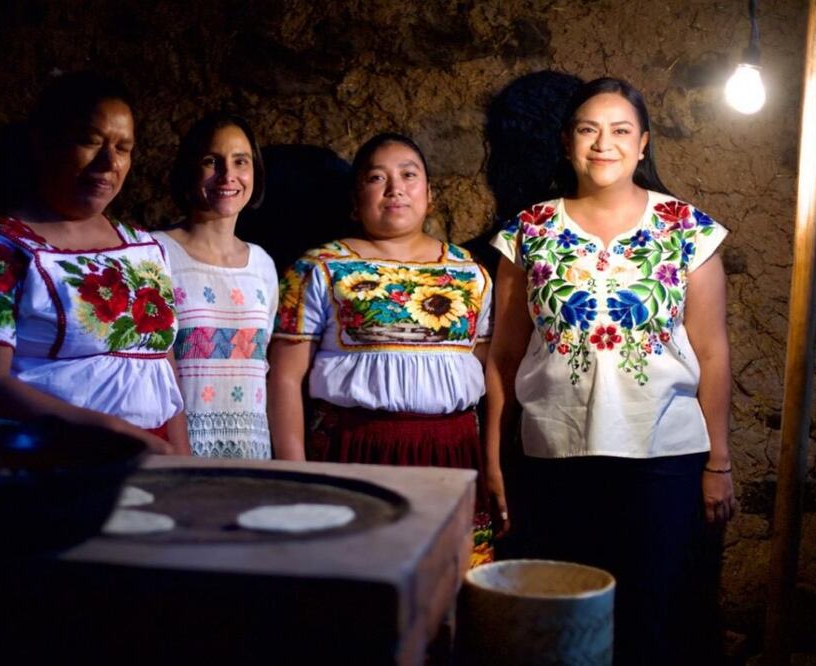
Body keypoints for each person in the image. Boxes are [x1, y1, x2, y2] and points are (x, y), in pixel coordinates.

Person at [485, 77, 737, 664]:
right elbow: (503, 355)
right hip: (553, 455)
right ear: (567, 142)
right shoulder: (529, 232)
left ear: (643, 143)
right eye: (588, 129)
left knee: (650, 623)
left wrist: (719, 461)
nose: (604, 144)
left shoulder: (687, 229)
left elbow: (713, 352)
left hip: (664, 459)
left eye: (621, 130)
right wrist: (494, 459)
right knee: (563, 622)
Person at [0, 72, 189, 454]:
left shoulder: (145, 249)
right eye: (90, 141)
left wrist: (181, 460)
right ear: (43, 143)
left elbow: (161, 365)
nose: (109, 162)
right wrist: (119, 435)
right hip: (53, 459)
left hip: (153, 455)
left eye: (123, 148)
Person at [269, 132, 493, 511]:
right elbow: (285, 378)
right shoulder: (318, 268)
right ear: (355, 200)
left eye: (409, 175)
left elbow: (488, 370)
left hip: (452, 452)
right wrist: (296, 474)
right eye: (376, 178)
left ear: (429, 194)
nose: (395, 189)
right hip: (354, 449)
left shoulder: (470, 272)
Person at [153, 112, 278, 458]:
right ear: (189, 170)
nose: (228, 175)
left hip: (252, 451)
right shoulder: (156, 253)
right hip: (179, 449)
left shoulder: (262, 266)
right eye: (212, 161)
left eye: (241, 161)